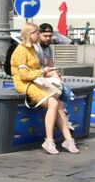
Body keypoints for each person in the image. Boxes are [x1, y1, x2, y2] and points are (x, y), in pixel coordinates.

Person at [12, 22, 76, 155]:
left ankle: (68, 140)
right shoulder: (21, 50)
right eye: (36, 33)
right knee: (54, 102)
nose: (39, 35)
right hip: (25, 84)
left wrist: (47, 72)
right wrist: (42, 72)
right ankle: (49, 141)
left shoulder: (30, 49)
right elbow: (23, 75)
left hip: (34, 81)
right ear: (30, 35)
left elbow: (34, 69)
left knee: (59, 104)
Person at [36, 22, 76, 111]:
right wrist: (49, 73)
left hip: (46, 80)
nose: (48, 38)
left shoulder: (48, 49)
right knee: (57, 103)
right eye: (45, 36)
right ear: (38, 35)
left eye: (50, 36)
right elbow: (34, 70)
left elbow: (50, 65)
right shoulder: (35, 48)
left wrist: (54, 72)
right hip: (37, 81)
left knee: (61, 100)